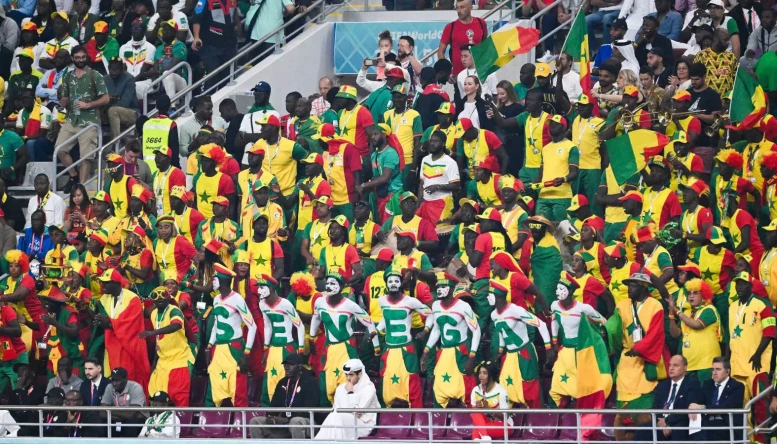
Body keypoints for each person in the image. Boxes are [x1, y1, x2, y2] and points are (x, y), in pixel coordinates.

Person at [611, 271, 669, 441]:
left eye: (634, 285)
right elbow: (614, 330)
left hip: (646, 360)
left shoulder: (655, 305)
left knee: (644, 418)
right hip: (626, 360)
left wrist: (640, 349)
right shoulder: (621, 305)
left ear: (644, 287)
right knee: (622, 417)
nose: (630, 288)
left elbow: (656, 333)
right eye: (628, 285)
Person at [421, 272, 481, 407]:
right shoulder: (436, 305)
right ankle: (441, 422)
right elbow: (436, 330)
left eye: (443, 286)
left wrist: (472, 357)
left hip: (461, 353)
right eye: (438, 286)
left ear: (452, 288)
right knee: (440, 388)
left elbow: (476, 330)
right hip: (444, 353)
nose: (439, 289)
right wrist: (426, 351)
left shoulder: (463, 306)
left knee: (466, 388)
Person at [375, 268, 432, 408]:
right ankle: (389, 419)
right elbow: (385, 318)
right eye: (390, 281)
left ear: (401, 283)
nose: (393, 283)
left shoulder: (410, 301)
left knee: (411, 383)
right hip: (389, 349)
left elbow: (430, 314)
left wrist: (425, 331)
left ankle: (415, 417)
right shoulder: (381, 301)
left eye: (396, 281)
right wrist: (376, 330)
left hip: (406, 349)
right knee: (388, 383)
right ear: (386, 284)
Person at [55, 44, 109, 191]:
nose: (80, 60)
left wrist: (89, 104)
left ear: (87, 57)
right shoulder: (68, 76)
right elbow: (65, 97)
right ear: (72, 58)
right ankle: (74, 176)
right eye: (77, 57)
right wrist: (62, 103)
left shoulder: (94, 75)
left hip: (90, 121)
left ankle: (82, 188)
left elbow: (106, 98)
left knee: (86, 157)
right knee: (59, 149)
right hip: (72, 119)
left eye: (83, 57)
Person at [491, 278, 551, 408]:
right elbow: (502, 333)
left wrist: (548, 348)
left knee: (530, 387)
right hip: (510, 355)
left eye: (490, 295)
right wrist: (500, 351)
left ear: (499, 297)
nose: (488, 298)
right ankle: (507, 420)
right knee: (505, 385)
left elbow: (540, 324)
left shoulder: (515, 310)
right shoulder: (494, 315)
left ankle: (537, 419)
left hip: (524, 352)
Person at [206, 264, 256, 407]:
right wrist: (209, 346)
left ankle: (240, 425)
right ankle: (211, 422)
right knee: (215, 383)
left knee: (237, 386)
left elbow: (252, 326)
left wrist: (246, 353)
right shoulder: (216, 300)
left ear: (223, 281)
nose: (212, 282)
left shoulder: (237, 299)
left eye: (215, 279)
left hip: (234, 347)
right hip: (218, 349)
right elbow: (216, 324)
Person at [728, 271, 773, 428]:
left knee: (760, 406)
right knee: (742, 408)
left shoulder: (762, 305)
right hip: (737, 365)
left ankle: (760, 439)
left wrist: (758, 354)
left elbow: (770, 332)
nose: (739, 287)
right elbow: (730, 336)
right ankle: (746, 439)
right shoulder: (732, 307)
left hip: (757, 365)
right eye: (737, 284)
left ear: (750, 286)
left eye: (743, 283)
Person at [93, 269, 151, 389]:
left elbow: (131, 325)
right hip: (111, 346)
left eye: (107, 283)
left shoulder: (132, 299)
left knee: (129, 378)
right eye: (102, 282)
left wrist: (109, 324)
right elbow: (101, 320)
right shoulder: (104, 299)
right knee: (112, 380)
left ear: (116, 283)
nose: (103, 285)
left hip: (128, 347)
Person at [141, 287, 193, 406]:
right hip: (162, 362)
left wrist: (153, 333)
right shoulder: (153, 313)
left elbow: (176, 325)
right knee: (155, 396)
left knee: (179, 397)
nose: (159, 298)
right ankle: (156, 424)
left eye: (163, 295)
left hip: (179, 360)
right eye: (156, 296)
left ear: (169, 297)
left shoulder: (174, 310)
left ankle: (181, 424)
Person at [258, 274, 304, 406]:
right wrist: (265, 348)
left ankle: (286, 406)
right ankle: (268, 407)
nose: (258, 291)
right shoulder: (262, 304)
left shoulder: (285, 304)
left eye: (262, 287)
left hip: (286, 347)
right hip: (273, 348)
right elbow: (267, 326)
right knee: (270, 379)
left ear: (271, 288)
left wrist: (300, 349)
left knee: (285, 377)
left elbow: (299, 326)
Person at [250, 353, 319, 439]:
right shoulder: (282, 382)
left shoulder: (310, 382)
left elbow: (309, 409)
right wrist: (271, 417)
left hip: (306, 421)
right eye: (286, 364)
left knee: (295, 421)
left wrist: (287, 419)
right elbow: (274, 406)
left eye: (291, 365)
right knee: (255, 421)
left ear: (300, 366)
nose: (287, 367)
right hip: (284, 422)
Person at [635, 355, 701, 441]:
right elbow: (656, 407)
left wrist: (667, 422)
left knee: (678, 431)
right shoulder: (663, 385)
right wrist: (662, 422)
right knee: (642, 429)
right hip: (662, 422)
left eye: (675, 365)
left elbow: (685, 409)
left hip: (679, 422)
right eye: (670, 365)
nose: (671, 368)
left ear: (685, 368)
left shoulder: (692, 385)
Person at [314, 359, 379, 440]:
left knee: (336, 418)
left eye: (351, 375)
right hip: (340, 422)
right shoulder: (340, 388)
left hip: (363, 426)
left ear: (360, 374)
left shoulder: (369, 388)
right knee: (334, 417)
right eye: (346, 375)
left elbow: (357, 413)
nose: (348, 378)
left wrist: (351, 393)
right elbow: (336, 410)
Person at [689, 357, 745, 441]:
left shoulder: (737, 386)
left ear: (727, 371)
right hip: (708, 426)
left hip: (727, 426)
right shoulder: (708, 384)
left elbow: (726, 407)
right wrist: (692, 407)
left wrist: (702, 408)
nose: (714, 373)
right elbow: (697, 401)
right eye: (713, 369)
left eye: (718, 369)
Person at [537, 115, 579, 221]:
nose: (552, 126)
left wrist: (563, 179)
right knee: (543, 229)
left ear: (564, 127)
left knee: (562, 231)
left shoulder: (571, 147)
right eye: (551, 124)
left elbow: (574, 173)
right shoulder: (545, 148)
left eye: (556, 123)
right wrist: (530, 186)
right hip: (544, 196)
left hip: (562, 196)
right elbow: (540, 174)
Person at [190, 0, 237, 92]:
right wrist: (196, 37)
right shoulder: (203, 1)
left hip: (229, 46)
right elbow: (197, 18)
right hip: (211, 45)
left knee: (228, 80)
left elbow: (234, 16)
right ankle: (205, 102)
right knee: (211, 79)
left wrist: (238, 30)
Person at [39, 285, 84, 378]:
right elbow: (43, 327)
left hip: (69, 358)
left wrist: (55, 323)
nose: (44, 304)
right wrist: (26, 322)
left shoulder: (68, 311)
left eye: (47, 301)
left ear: (56, 302)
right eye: (43, 300)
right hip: (52, 356)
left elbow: (74, 332)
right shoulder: (50, 311)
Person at [418, 130, 459, 225]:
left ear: (443, 144)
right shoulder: (425, 159)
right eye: (431, 141)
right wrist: (420, 201)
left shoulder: (449, 162)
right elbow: (422, 183)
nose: (432, 144)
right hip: (426, 203)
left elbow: (456, 186)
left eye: (436, 141)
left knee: (440, 233)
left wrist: (437, 187)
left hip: (442, 203)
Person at [437, 0, 487, 77]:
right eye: (457, 8)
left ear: (470, 8)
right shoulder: (450, 27)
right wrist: (447, 72)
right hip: (458, 74)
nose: (459, 11)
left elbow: (484, 46)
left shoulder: (481, 23)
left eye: (462, 7)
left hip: (478, 72)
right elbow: (440, 52)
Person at [469, 361, 512, 441]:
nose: (481, 376)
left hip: (504, 425)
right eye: (480, 373)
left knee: (478, 429)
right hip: (485, 424)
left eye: (485, 373)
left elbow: (506, 417)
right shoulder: (476, 390)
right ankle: (485, 438)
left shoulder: (501, 392)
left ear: (491, 375)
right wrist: (479, 409)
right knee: (475, 412)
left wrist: (489, 410)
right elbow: (474, 415)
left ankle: (480, 438)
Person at [100, 367, 147, 437]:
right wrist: (122, 415)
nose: (114, 383)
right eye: (112, 380)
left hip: (138, 420)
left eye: (117, 380)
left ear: (125, 379)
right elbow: (102, 412)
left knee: (131, 422)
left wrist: (110, 410)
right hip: (117, 419)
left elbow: (131, 414)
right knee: (101, 421)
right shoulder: (109, 387)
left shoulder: (135, 387)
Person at [104, 58, 137, 140]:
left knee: (113, 110)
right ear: (108, 68)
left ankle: (115, 143)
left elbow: (125, 103)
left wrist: (108, 101)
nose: (114, 72)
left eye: (117, 69)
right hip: (108, 110)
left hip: (131, 112)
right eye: (112, 69)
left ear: (122, 69)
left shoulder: (129, 79)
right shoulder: (104, 79)